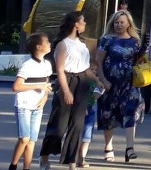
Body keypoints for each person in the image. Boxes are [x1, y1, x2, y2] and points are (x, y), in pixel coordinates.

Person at [51, 12, 100, 170]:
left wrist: (99, 80)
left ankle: (71, 162)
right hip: (67, 81)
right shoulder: (63, 44)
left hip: (82, 83)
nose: (85, 24)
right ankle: (45, 155)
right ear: (75, 24)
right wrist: (65, 91)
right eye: (83, 21)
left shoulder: (82, 45)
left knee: (77, 125)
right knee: (59, 126)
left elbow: (86, 69)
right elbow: (59, 70)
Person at [95, 10, 144, 162]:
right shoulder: (106, 40)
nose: (118, 25)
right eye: (116, 22)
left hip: (129, 84)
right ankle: (108, 147)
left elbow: (138, 61)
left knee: (130, 111)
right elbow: (98, 62)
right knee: (108, 114)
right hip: (110, 83)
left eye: (122, 22)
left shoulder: (135, 41)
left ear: (128, 23)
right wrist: (102, 80)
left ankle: (129, 148)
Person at [10, 34, 52, 170]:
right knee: (24, 139)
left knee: (32, 140)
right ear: (39, 47)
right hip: (24, 105)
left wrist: (45, 97)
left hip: (37, 106)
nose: (50, 43)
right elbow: (16, 87)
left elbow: (47, 83)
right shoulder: (27, 66)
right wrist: (37, 86)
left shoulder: (47, 64)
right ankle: (13, 165)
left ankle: (26, 167)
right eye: (47, 42)